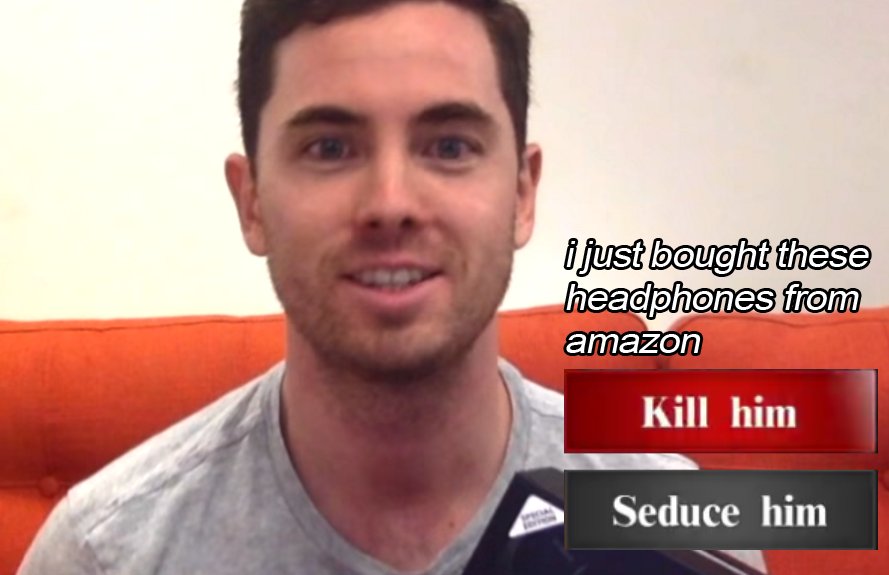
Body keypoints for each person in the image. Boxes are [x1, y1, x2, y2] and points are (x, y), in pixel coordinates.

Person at [19, 1, 765, 573]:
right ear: (252, 203)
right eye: (329, 147)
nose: (390, 203)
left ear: (521, 193)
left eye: (449, 145)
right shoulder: (104, 553)